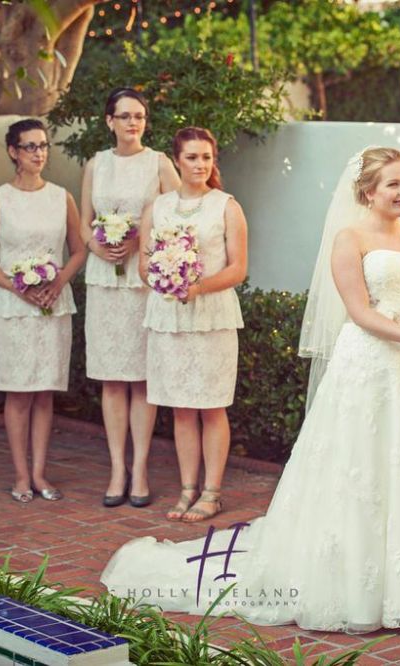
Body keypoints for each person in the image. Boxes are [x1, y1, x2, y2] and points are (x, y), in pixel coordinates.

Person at [101, 146, 400, 632]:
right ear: (368, 191)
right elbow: (361, 314)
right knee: (359, 470)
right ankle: (356, 583)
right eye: (394, 184)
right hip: (366, 366)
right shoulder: (349, 238)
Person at [0, 118, 87, 503]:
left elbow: (79, 249)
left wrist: (57, 283)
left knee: (44, 393)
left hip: (53, 305)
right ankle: (20, 475)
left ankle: (40, 473)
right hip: (11, 307)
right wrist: (16, 286)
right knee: (19, 394)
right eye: (30, 147)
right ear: (13, 152)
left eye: (43, 146)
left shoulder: (61, 197)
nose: (39, 153)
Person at [137, 127, 246, 522]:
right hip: (170, 317)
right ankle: (186, 489)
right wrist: (164, 279)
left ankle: (212, 493)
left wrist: (197, 287)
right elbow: (143, 265)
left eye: (206, 157)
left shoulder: (226, 206)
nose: (200, 165)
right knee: (181, 407)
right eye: (192, 158)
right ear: (177, 160)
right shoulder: (158, 207)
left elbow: (238, 269)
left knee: (211, 406)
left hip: (212, 316)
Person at [79, 89, 180, 508]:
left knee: (141, 377)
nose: (133, 123)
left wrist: (145, 238)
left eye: (139, 116)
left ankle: (140, 469)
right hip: (104, 281)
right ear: (109, 122)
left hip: (142, 281)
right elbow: (83, 223)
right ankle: (116, 468)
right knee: (111, 379)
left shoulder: (159, 163)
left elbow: (178, 214)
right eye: (125, 116)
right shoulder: (95, 165)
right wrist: (97, 246)